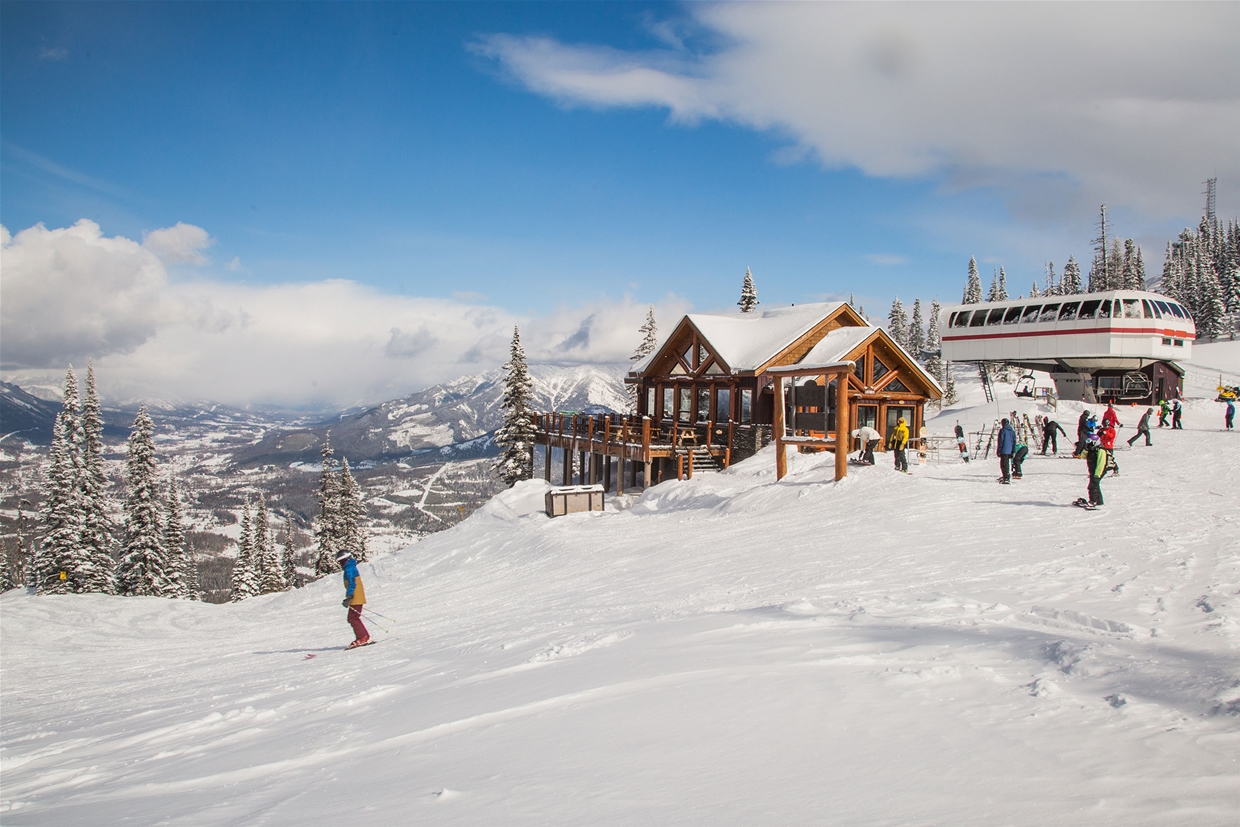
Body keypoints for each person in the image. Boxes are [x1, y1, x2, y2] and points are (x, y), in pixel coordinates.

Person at [338, 549, 371, 649]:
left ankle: (363, 637)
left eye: (341, 561)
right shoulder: (350, 566)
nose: (340, 564)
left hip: (355, 596)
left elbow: (352, 582)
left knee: (353, 618)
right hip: (356, 596)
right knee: (353, 617)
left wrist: (349, 595)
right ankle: (363, 637)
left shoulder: (349, 568)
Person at [1082, 433, 1107, 508]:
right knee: (1095, 485)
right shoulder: (1091, 449)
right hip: (1093, 470)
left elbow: (1101, 463)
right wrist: (1086, 449)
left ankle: (1093, 501)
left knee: (1092, 486)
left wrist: (1097, 474)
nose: (1088, 443)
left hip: (1099, 471)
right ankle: (1099, 501)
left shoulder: (1101, 450)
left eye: (1089, 441)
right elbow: (1083, 456)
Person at [996, 417, 1015, 484]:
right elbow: (1014, 441)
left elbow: (1001, 441)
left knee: (1003, 464)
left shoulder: (1003, 431)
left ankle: (1006, 477)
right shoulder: (1012, 431)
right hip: (1010, 449)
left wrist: (999, 450)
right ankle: (1006, 475)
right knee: (1007, 463)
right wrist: (1013, 450)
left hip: (1004, 449)